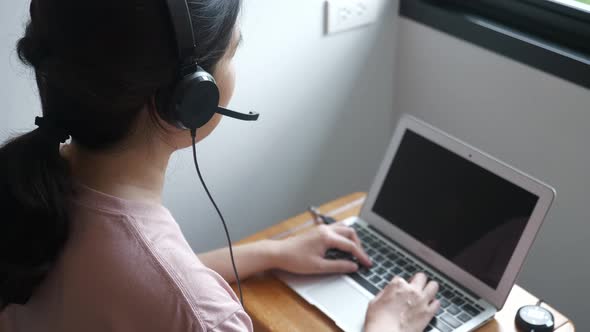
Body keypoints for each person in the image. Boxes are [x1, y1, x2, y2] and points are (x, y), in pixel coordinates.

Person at [0, 0, 439, 331]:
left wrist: (269, 252)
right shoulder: (204, 317)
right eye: (232, 53)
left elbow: (137, 276)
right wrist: (387, 325)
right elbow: (166, 287)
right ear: (191, 97)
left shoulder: (26, 191)